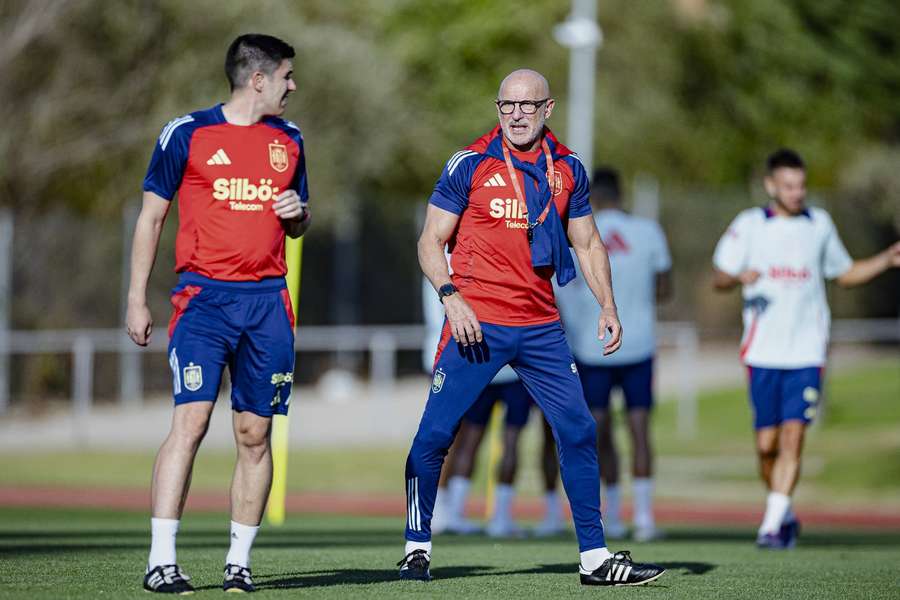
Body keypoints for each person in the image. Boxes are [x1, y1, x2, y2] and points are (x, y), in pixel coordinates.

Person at [399, 68, 664, 586]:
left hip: (541, 326)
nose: (516, 115)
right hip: (477, 322)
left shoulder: (567, 168)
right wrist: (450, 296)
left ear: (548, 109)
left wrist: (608, 305)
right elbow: (430, 240)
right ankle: (416, 545)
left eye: (527, 105)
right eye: (507, 106)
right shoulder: (469, 163)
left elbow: (587, 243)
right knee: (435, 434)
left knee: (579, 429)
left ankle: (594, 559)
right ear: (497, 109)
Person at [126, 33, 311, 593]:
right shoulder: (187, 133)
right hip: (203, 301)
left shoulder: (292, 139)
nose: (292, 86)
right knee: (192, 422)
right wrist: (136, 298)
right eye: (286, 76)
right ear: (258, 79)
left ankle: (239, 564)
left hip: (268, 304)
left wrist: (297, 214)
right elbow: (151, 218)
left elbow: (299, 221)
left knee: (255, 434)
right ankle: (162, 560)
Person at [712, 148, 900, 549]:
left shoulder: (820, 225)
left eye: (801, 185)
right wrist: (736, 278)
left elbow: (844, 273)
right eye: (788, 186)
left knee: (794, 436)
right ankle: (783, 511)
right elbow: (720, 277)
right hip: (762, 353)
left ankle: (769, 527)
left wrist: (885, 259)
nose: (797, 193)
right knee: (767, 446)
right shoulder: (749, 225)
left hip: (807, 352)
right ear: (770, 186)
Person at [556, 167, 672, 543]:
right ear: (621, 193)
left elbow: (563, 289)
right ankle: (644, 517)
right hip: (638, 345)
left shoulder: (576, 232)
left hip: (593, 348)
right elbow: (665, 287)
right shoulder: (648, 231)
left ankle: (614, 514)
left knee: (598, 431)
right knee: (639, 430)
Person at [424, 276, 536, 537]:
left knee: (464, 440)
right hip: (509, 359)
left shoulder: (446, 260)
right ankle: (499, 517)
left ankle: (451, 512)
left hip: (476, 358)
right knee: (507, 441)